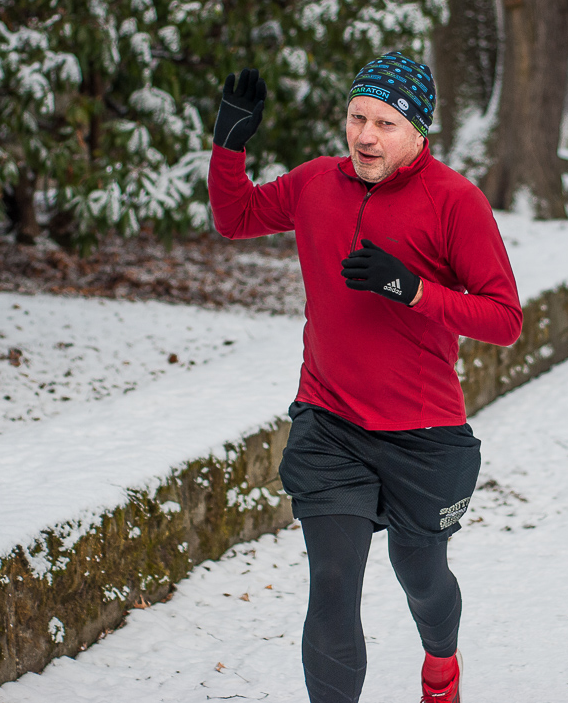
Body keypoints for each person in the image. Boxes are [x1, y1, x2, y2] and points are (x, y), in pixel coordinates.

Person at [208, 52, 522, 703]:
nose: (366, 135)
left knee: (422, 575)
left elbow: (504, 318)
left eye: (385, 122)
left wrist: (415, 291)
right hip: (331, 424)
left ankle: (441, 666)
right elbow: (234, 217)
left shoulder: (455, 202)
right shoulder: (315, 182)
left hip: (425, 435)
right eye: (357, 117)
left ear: (417, 133)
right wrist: (228, 147)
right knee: (332, 580)